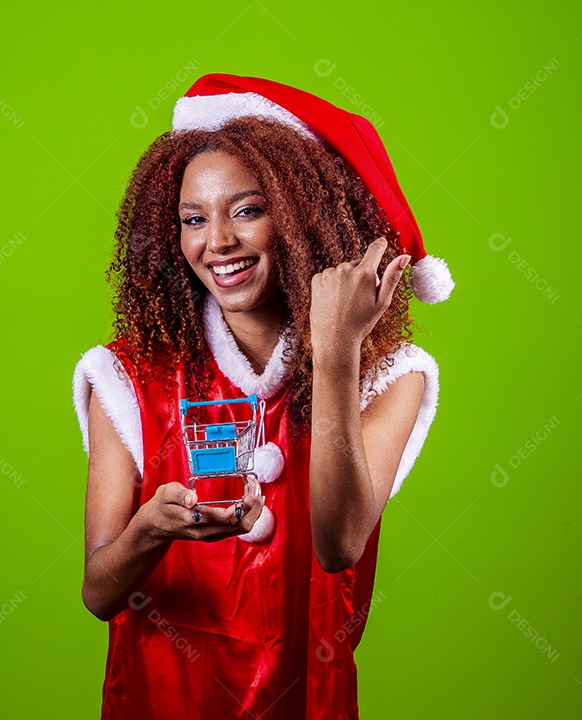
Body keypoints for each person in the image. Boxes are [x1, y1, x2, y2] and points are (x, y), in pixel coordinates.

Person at [72, 74, 454, 719]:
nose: (216, 242)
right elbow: (98, 592)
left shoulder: (390, 376)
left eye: (247, 210)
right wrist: (152, 529)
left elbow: (338, 545)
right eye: (194, 218)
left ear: (303, 218)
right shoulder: (128, 374)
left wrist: (335, 352)